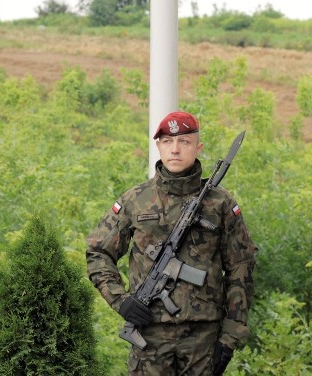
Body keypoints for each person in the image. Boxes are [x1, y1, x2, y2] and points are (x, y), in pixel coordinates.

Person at [86, 111, 257, 375]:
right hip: (149, 335)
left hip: (203, 339)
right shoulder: (136, 199)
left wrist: (231, 334)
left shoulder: (221, 203)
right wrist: (121, 301)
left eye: (184, 142)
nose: (175, 149)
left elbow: (241, 267)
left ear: (198, 147)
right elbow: (98, 252)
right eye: (167, 142)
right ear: (158, 146)